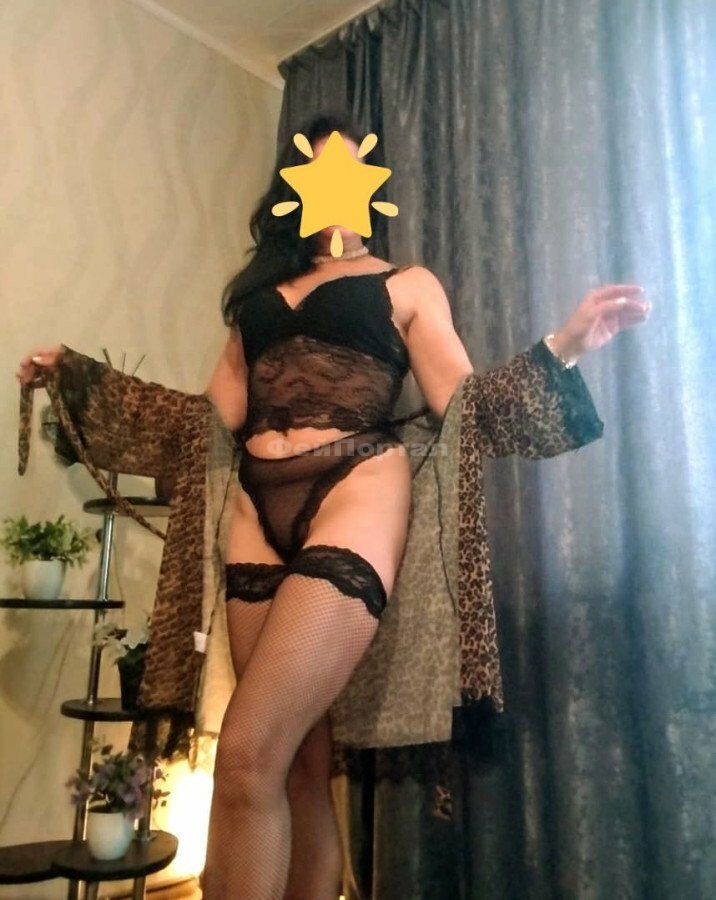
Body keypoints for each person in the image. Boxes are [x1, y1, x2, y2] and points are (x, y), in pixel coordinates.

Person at [17, 111, 651, 899]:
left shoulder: (406, 284)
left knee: (245, 754)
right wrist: (81, 380)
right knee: (295, 766)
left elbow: (466, 407)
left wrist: (566, 345)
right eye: (316, 166)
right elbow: (205, 421)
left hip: (356, 488)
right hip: (253, 509)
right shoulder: (256, 298)